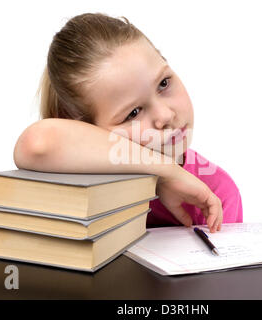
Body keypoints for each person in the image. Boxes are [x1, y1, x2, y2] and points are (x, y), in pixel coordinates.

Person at [13, 13, 242, 233]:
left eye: (163, 83)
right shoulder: (80, 178)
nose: (164, 116)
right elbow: (37, 143)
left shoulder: (216, 193)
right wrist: (167, 173)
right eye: (132, 113)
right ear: (85, 128)